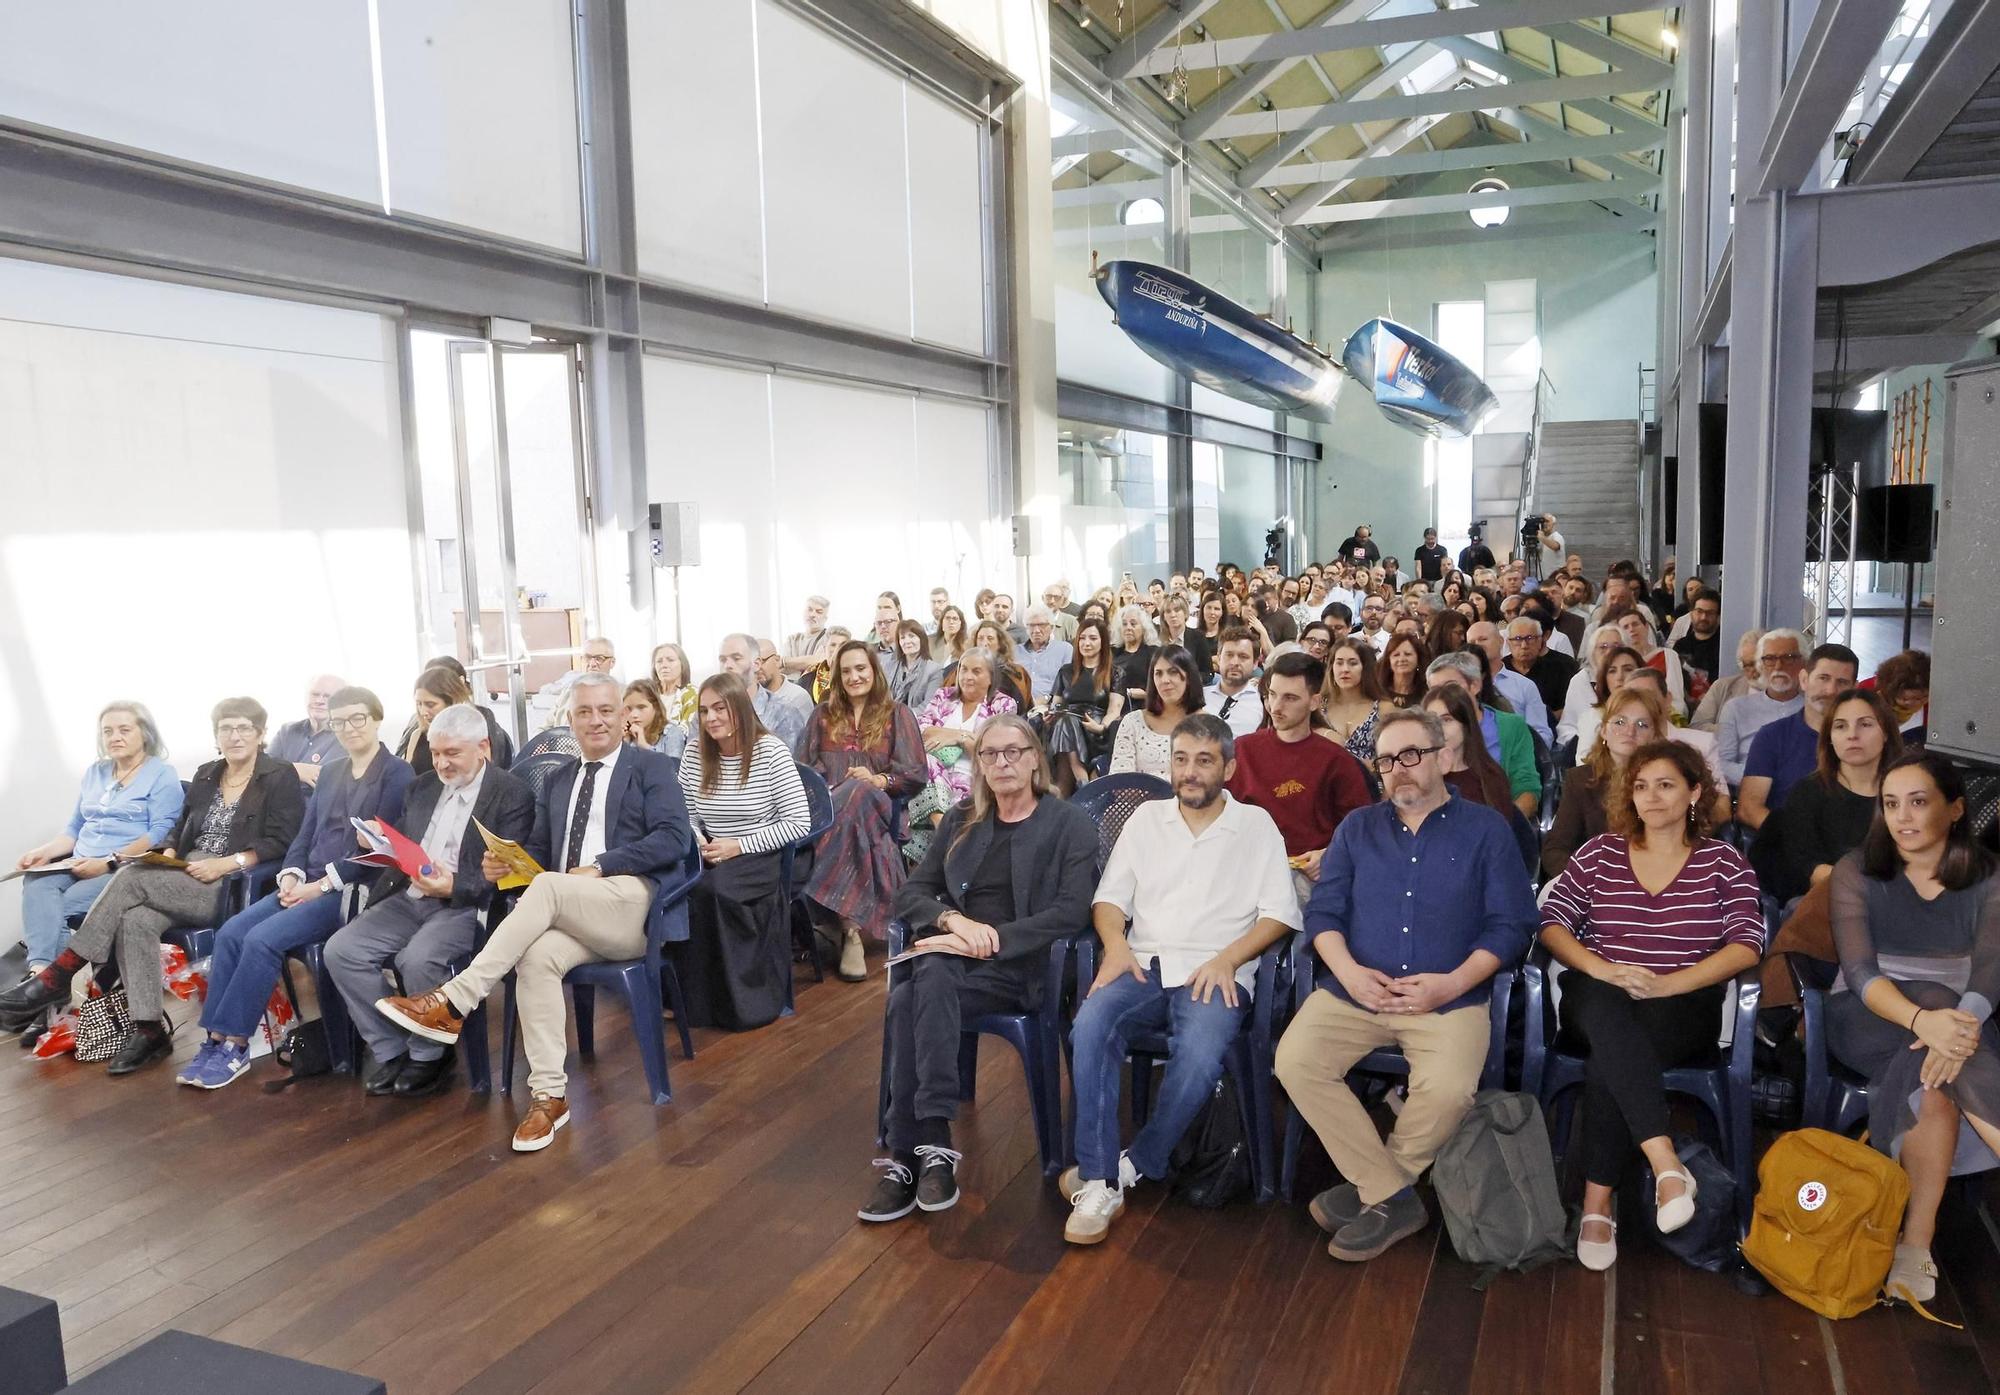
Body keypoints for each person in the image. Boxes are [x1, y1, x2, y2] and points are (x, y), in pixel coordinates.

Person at [373, 674, 693, 1150]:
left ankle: (455, 999)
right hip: (568, 907)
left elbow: (674, 839)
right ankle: (549, 1096)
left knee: (545, 889)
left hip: (630, 905)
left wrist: (601, 866)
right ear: (571, 719)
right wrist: (506, 864)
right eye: (584, 712)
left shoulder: (653, 768)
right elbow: (541, 856)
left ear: (624, 714)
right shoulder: (561, 779)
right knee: (536, 956)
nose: (596, 720)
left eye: (606, 709)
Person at [1274, 707, 1538, 1262]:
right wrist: (1347, 972)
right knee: (1295, 1060)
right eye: (1387, 760)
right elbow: (1323, 915)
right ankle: (1394, 1195)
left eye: (1411, 755)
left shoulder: (1488, 829)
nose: (1399, 770)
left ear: (1443, 757)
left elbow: (1512, 926)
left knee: (1446, 1089)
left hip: (1448, 996)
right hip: (1356, 991)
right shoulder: (1356, 829)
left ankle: (1379, 1187)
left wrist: (1450, 985)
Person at [1061, 715, 1302, 1242]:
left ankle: (1133, 1164)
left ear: (1229, 768)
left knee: (1196, 1056)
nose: (1189, 773)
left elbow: (1280, 914)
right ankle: (1101, 1178)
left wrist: (1228, 959)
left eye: (1204, 760)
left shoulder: (1256, 826)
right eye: (1181, 759)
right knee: (1091, 1025)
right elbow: (1108, 900)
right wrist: (1116, 945)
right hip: (1143, 964)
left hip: (1217, 974)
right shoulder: (1147, 820)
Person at [858, 716, 1098, 1222]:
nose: (1002, 763)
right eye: (989, 754)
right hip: (954, 959)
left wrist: (992, 939)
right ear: (980, 764)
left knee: (911, 992)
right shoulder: (962, 817)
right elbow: (911, 892)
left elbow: (1072, 912)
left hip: (1023, 968)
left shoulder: (1068, 822)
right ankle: (929, 1145)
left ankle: (910, 1149)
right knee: (922, 983)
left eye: (1013, 752)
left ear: (1035, 757)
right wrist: (953, 920)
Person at [1538, 740, 1765, 1271]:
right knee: (1605, 1006)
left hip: (1682, 1004)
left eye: (1665, 784)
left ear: (1694, 792)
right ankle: (1664, 1161)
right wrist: (1601, 968)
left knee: (1611, 1057)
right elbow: (1552, 924)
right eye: (1640, 786)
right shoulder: (1599, 853)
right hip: (1596, 992)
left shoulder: (1722, 862)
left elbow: (1746, 943)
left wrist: (1669, 984)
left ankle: (1598, 1203)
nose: (1651, 797)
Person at [1, 699, 305, 1074]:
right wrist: (172, 852)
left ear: (260, 734)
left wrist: (227, 863)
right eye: (226, 728)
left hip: (227, 883)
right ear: (217, 736)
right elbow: (180, 826)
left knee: (128, 876)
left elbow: (283, 839)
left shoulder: (278, 775)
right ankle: (148, 1030)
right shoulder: (209, 772)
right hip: (182, 872)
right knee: (136, 919)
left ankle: (58, 974)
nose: (235, 736)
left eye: (244, 728)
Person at [1825, 752, 2000, 1305]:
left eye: (1918, 802)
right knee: (1934, 1002)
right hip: (1869, 1014)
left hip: (1966, 1021)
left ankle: (1914, 1245)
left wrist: (1955, 1027)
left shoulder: (1990, 875)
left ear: (1954, 809)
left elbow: (1993, 970)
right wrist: (1930, 1020)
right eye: (1891, 803)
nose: (1902, 816)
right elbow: (1858, 973)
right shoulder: (1857, 869)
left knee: (1933, 1087)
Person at [175, 687, 414, 1089]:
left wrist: (319, 886)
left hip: (351, 891)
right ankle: (213, 1040)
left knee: (262, 940)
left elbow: (382, 853)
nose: (349, 728)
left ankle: (235, 1044)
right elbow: (305, 834)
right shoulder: (334, 770)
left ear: (376, 719)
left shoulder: (396, 774)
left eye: (358, 718)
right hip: (307, 883)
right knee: (233, 932)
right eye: (339, 721)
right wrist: (291, 874)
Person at [322, 704, 533, 1096]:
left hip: (465, 904)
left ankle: (429, 1055)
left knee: (417, 960)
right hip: (409, 895)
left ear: (482, 746)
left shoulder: (511, 794)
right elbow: (405, 841)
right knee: (340, 950)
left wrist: (453, 885)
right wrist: (379, 840)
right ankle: (391, 1047)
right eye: (436, 753)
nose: (442, 763)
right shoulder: (421, 787)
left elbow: (506, 870)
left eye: (452, 753)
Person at [674, 673, 812, 1031]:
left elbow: (798, 823)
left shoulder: (770, 751)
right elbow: (684, 812)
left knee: (713, 891)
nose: (711, 718)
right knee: (677, 891)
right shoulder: (694, 751)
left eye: (720, 708)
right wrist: (699, 841)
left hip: (762, 852)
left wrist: (739, 846)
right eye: (704, 711)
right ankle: (693, 1001)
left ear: (739, 708)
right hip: (712, 851)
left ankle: (740, 1002)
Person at [13, 702, 184, 974]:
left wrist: (107, 862)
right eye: (108, 731)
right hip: (80, 860)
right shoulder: (96, 772)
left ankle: (44, 983)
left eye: (124, 730)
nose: (115, 737)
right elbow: (75, 827)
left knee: (60, 908)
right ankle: (42, 971)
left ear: (145, 734)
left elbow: (159, 833)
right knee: (35, 880)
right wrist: (45, 851)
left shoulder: (162, 774)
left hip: (126, 867)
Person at [800, 642, 926, 981]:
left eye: (861, 668)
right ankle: (851, 927)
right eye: (846, 671)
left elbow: (915, 774)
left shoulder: (897, 713)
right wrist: (831, 790)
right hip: (828, 811)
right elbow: (804, 769)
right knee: (850, 800)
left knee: (859, 790)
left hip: (883, 806)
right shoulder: (822, 715)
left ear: (874, 670)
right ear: (838, 678)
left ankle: (843, 925)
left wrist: (877, 779)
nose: (854, 676)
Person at [1226, 654, 1372, 898]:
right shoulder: (1241, 749)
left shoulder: (1336, 761)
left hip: (1305, 873)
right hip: (1245, 869)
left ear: (1314, 701)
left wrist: (1330, 853)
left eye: (1290, 698)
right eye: (1272, 694)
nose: (1275, 707)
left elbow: (1363, 826)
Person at [1752, 688, 1901, 905]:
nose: (1852, 734)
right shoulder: (1808, 792)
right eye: (1841, 726)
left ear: (1886, 733)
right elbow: (1807, 867)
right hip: (1828, 902)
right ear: (1829, 738)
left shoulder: (1906, 794)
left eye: (1865, 724)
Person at [1542, 686, 1673, 879]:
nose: (1630, 731)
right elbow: (1555, 851)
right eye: (1620, 722)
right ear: (1604, 731)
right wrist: (1589, 882)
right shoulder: (1580, 781)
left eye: (1642, 725)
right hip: (1593, 886)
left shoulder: (1669, 783)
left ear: (1655, 736)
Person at [1738, 642, 1860, 828]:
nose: (1831, 690)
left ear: (1854, 689)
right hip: (1785, 845)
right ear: (1804, 680)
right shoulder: (1772, 736)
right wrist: (1798, 842)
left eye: (1842, 682)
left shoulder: (1865, 740)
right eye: (1823, 678)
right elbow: (1749, 809)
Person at [1419, 686, 1537, 874]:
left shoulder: (1490, 777)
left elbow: (1499, 846)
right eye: (1432, 722)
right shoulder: (1419, 778)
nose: (1439, 729)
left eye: (1447, 719)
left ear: (1466, 725)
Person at [912, 650, 1018, 847]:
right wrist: (965, 737)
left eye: (976, 671)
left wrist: (954, 736)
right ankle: (944, 828)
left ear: (990, 677)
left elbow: (994, 751)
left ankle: (945, 837)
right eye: (964, 670)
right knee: (926, 762)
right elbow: (922, 730)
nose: (968, 677)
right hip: (933, 778)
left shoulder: (1002, 704)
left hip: (975, 777)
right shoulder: (943, 696)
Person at [1425, 652, 1538, 819]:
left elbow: (1526, 787)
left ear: (1475, 685)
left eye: (1451, 687)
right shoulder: (1425, 734)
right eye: (1435, 690)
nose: (1444, 697)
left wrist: (1502, 827)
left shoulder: (1511, 726)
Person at [1042, 616, 1123, 793]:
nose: (1086, 643)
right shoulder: (1066, 671)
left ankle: (1067, 790)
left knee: (1065, 726)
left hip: (1095, 728)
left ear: (1103, 641)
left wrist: (1101, 727)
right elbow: (1056, 705)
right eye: (1082, 638)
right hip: (1067, 724)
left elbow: (1114, 710)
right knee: (1065, 721)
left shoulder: (1115, 672)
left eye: (1093, 638)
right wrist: (1049, 717)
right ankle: (1083, 781)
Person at [1110, 646, 1204, 780]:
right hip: (1136, 800)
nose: (1165, 680)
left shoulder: (1207, 725)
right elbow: (1119, 780)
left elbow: (1206, 780)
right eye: (1158, 673)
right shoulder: (1133, 722)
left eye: (1173, 672)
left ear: (1188, 677)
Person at [403, 664, 515, 774]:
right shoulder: (417, 736)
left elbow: (484, 776)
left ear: (452, 702)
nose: (423, 712)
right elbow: (408, 781)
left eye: (430, 704)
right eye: (419, 704)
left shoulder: (475, 732)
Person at [1468, 620, 1551, 746]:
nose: (1478, 645)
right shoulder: (1463, 686)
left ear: (1501, 641)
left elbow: (1541, 734)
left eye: (1483, 639)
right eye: (1472, 642)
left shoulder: (1524, 685)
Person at [267, 674, 346, 792]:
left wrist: (280, 773)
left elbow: (323, 781)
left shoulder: (347, 737)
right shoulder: (287, 731)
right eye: (315, 694)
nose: (319, 700)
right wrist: (297, 770)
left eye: (327, 696)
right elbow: (262, 771)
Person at [1569, 645, 1644, 763]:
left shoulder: (1655, 711)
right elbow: (1584, 765)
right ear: (1604, 679)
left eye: (1628, 669)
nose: (1620, 677)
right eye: (1612, 671)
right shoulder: (1592, 717)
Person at [1321, 637, 1386, 766]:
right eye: (1339, 663)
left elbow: (1392, 755)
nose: (1345, 669)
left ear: (1365, 668)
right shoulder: (1318, 707)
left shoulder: (1383, 708)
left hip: (1370, 782)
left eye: (1353, 663)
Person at [1614, 610, 1688, 718]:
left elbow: (1676, 697)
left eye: (1635, 624)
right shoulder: (1620, 662)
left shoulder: (1668, 655)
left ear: (1646, 626)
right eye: (1625, 627)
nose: (1631, 629)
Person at [1507, 615, 1579, 725]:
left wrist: (1543, 719)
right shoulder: (1501, 670)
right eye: (1517, 639)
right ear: (1508, 643)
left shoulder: (1562, 667)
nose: (1524, 645)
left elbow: (1572, 707)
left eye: (1530, 638)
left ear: (1540, 640)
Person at [1691, 629, 1763, 733]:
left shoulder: (1789, 694)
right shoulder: (1722, 686)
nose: (1756, 670)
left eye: (1762, 663)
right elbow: (1696, 726)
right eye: (1749, 664)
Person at [1201, 628, 1262, 738]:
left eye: (1243, 657)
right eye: (1229, 655)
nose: (1234, 662)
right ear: (1219, 658)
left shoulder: (1263, 704)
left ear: (1255, 663)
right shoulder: (1199, 698)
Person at [1671, 587, 1723, 707]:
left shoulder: (1724, 647)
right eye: (1699, 611)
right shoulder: (1680, 646)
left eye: (1710, 613)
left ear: (1718, 615)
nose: (1703, 617)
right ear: (1691, 612)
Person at [1017, 606, 1074, 706]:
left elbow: (1068, 685)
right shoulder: (1015, 651)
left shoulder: (1064, 649)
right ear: (1026, 628)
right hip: (1018, 706)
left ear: (1052, 627)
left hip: (1049, 707)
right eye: (1031, 625)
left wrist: (1047, 698)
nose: (1036, 630)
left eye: (1041, 625)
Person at [650, 643, 698, 754]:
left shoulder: (692, 694)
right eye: (659, 661)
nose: (664, 665)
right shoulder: (647, 693)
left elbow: (684, 734)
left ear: (682, 664)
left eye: (670, 660)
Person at [887, 619, 943, 710]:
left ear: (922, 639)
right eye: (902, 638)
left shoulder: (934, 670)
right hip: (887, 717)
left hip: (916, 720)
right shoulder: (890, 667)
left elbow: (928, 706)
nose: (907, 641)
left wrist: (901, 717)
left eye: (911, 636)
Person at [1111, 605, 1159, 708]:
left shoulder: (1153, 653)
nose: (1128, 627)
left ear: (1143, 628)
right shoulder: (1112, 652)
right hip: (1113, 707)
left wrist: (1145, 694)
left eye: (1133, 624)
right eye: (1124, 624)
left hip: (1143, 708)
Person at [781, 594, 834, 676]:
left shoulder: (829, 639)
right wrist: (807, 662)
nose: (812, 615)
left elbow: (819, 662)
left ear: (825, 618)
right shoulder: (792, 639)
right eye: (809, 609)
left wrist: (785, 662)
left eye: (819, 612)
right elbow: (782, 669)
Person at [1378, 634, 1430, 709]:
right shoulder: (1377, 692)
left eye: (1408, 654)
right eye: (1396, 655)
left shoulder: (1428, 693)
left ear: (1419, 658)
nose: (1402, 659)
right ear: (1388, 661)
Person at [622, 679, 669, 751]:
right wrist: (624, 745)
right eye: (629, 709)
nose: (634, 715)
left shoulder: (670, 732)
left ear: (656, 707)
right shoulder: (624, 735)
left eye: (641, 707)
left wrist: (644, 746)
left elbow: (673, 762)